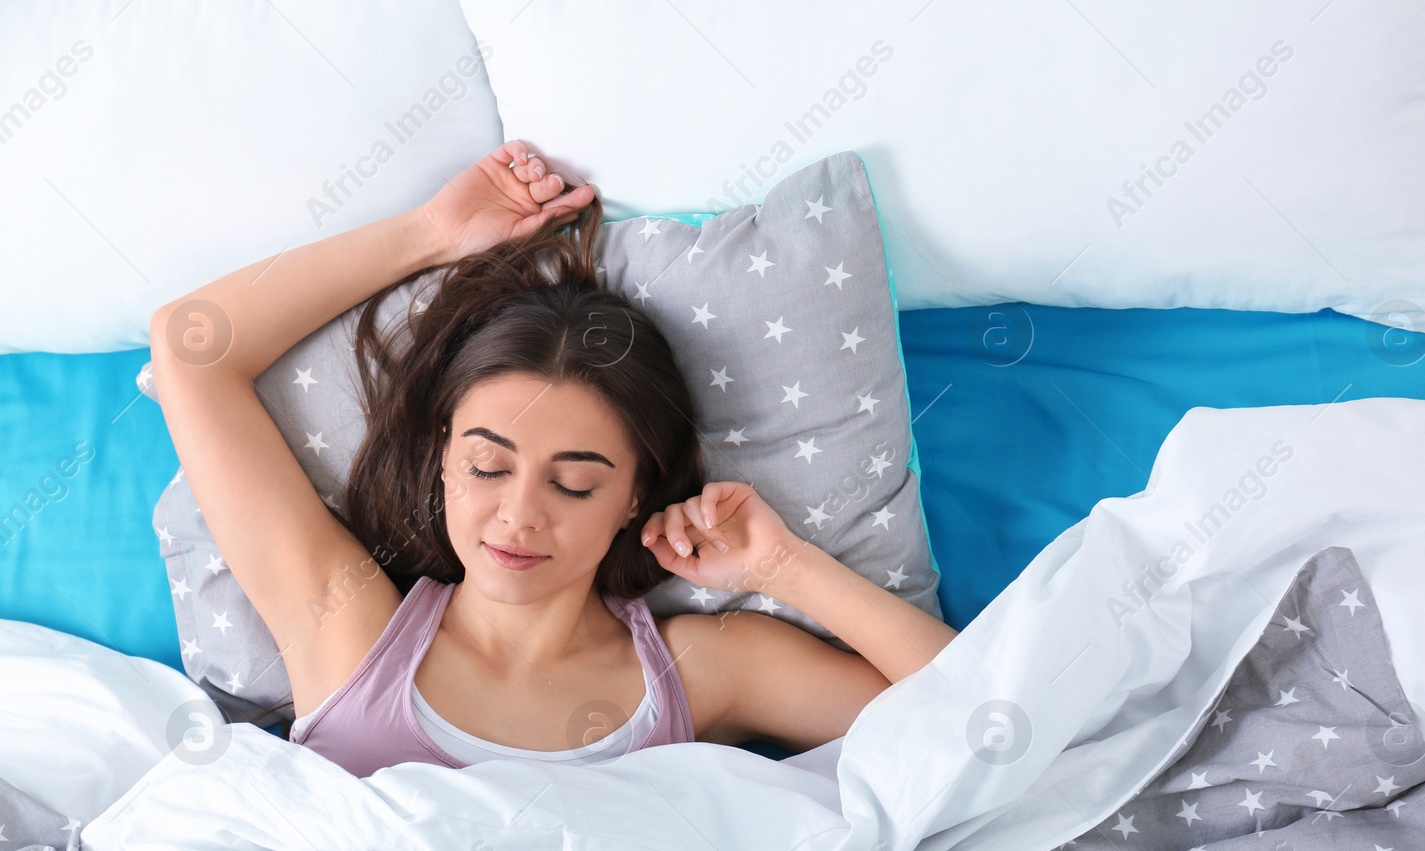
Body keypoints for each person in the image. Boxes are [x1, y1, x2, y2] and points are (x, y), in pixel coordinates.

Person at [149, 139, 958, 777]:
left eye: (574, 484)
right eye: (488, 466)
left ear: (636, 494)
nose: (519, 514)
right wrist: (428, 236)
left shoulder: (702, 670)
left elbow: (972, 713)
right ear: (440, 456)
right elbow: (191, 349)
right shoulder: (345, 624)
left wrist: (786, 567)